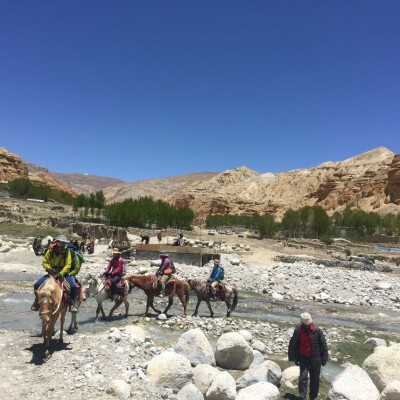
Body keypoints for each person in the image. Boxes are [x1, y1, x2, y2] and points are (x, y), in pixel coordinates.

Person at [31, 234, 79, 313]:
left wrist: (61, 273)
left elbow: (68, 264)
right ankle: (36, 301)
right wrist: (48, 268)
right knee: (36, 285)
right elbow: (45, 262)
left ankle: (73, 303)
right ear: (56, 242)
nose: (61, 243)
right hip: (52, 272)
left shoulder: (67, 252)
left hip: (63, 273)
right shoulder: (50, 251)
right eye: (60, 242)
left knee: (73, 286)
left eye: (63, 242)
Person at [288, 312, 329, 400]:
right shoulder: (298, 330)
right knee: (303, 378)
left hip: (316, 359)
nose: (308, 325)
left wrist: (324, 359)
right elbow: (293, 344)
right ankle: (302, 397)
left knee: (315, 380)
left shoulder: (317, 330)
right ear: (302, 323)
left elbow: (323, 345)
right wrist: (295, 358)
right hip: (303, 357)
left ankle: (312, 398)